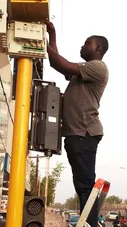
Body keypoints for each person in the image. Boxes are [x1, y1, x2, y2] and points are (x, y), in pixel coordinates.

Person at [46, 21, 109, 227]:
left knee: (85, 188)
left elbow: (61, 63)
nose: (82, 46)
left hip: (85, 133)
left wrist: (41, 39)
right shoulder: (81, 73)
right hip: (77, 135)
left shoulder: (97, 67)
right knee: (82, 186)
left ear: (97, 48)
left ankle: (88, 225)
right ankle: (87, 222)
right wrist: (51, 35)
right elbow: (57, 63)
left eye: (87, 43)